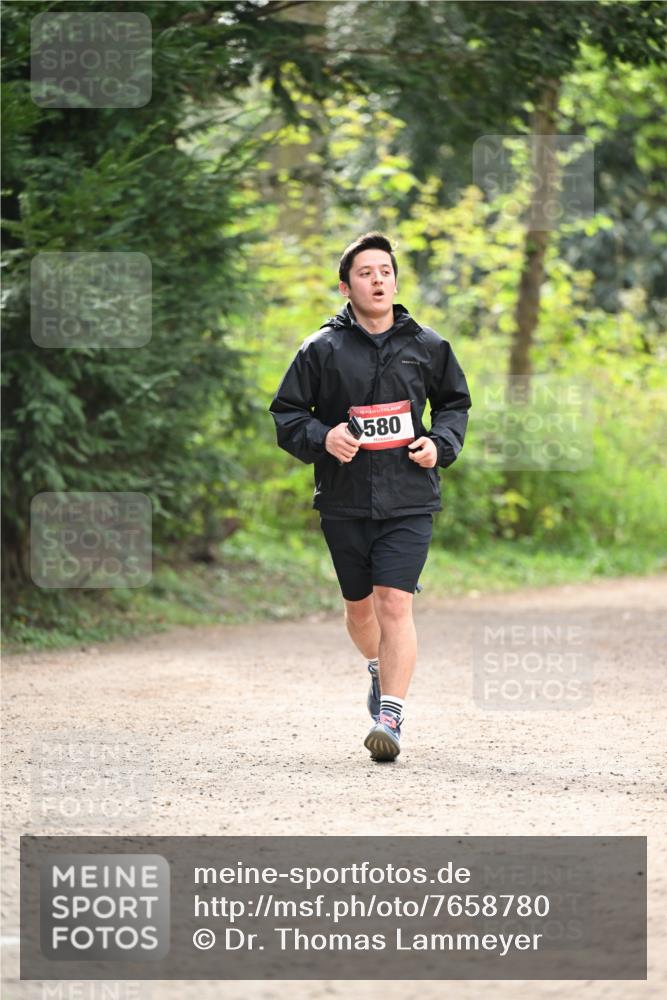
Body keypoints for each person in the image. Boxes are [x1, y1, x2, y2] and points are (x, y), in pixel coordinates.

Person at [269, 232, 472, 762]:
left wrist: (439, 443)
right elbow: (288, 416)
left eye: (385, 271)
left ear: (395, 281)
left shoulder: (428, 346)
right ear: (346, 285)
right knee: (361, 613)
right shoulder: (321, 349)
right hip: (344, 500)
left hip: (409, 497)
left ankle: (391, 718)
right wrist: (324, 437)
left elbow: (454, 405)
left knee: (394, 604)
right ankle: (380, 669)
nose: (378, 279)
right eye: (366, 272)